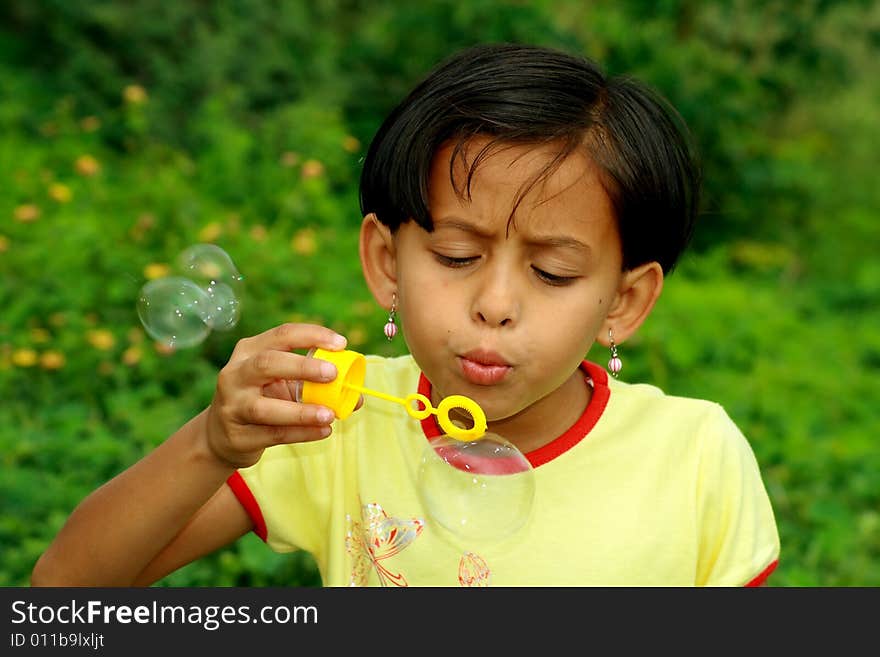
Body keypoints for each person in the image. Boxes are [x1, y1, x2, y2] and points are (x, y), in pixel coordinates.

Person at [32, 43, 779, 587]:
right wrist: (212, 443)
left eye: (552, 271)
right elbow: (64, 592)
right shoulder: (337, 425)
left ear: (624, 300)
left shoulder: (695, 457)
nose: (494, 305)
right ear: (387, 262)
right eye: (457, 256)